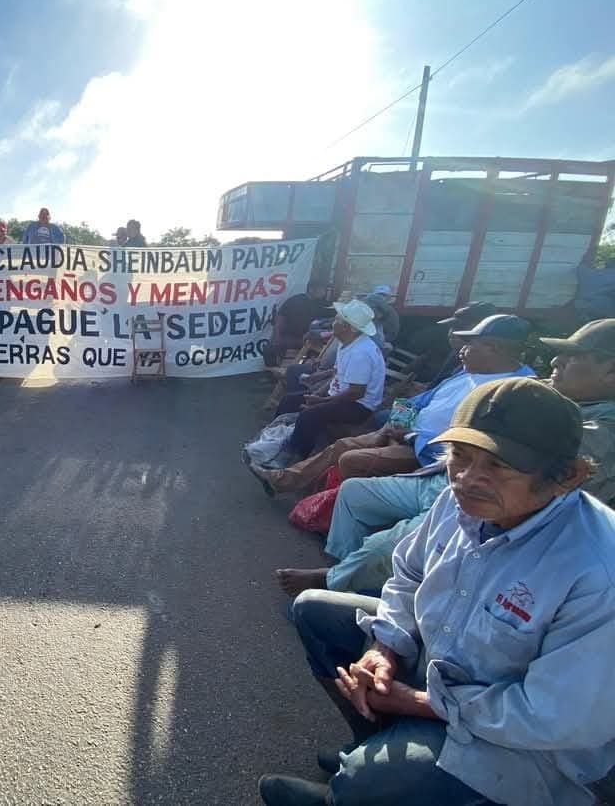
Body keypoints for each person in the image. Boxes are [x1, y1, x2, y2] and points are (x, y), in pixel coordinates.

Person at [259, 378, 615, 806]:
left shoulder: (597, 568)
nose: (467, 478)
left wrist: (418, 702)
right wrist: (383, 647)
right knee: (313, 610)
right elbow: (409, 574)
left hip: (522, 745)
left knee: (363, 785)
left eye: (498, 465)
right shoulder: (459, 501)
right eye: (459, 455)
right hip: (440, 672)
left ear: (568, 476)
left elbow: (553, 716)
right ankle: (373, 751)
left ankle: (356, 786)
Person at [275, 318, 615, 598]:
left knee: (383, 540)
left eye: (574, 356)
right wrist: (400, 425)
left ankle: (339, 582)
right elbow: (421, 404)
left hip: (465, 484)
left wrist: (412, 437)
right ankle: (347, 577)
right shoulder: (484, 380)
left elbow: (503, 471)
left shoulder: (579, 419)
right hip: (442, 470)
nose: (556, 362)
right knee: (353, 489)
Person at [252, 315, 533, 495]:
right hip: (403, 432)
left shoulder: (515, 392)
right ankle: (283, 480)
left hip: (430, 453)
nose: (462, 349)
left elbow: (474, 446)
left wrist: (410, 436)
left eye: (471, 344)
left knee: (350, 456)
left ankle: (317, 497)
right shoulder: (468, 373)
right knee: (341, 445)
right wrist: (396, 423)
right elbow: (416, 401)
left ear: (494, 348)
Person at [272, 300, 386, 461]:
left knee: (309, 415)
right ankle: (275, 438)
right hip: (341, 397)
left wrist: (322, 401)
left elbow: (356, 393)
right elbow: (337, 374)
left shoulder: (360, 353)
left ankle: (294, 457)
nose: (333, 322)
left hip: (359, 406)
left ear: (349, 328)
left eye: (338, 320)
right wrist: (317, 394)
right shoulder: (347, 343)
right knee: (289, 400)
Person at [264, 280, 330, 368]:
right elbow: (280, 318)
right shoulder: (295, 300)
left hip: (310, 338)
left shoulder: (323, 304)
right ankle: (275, 371)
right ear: (311, 289)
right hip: (292, 337)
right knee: (269, 348)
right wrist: (277, 335)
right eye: (322, 289)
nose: (324, 292)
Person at [361, 285, 400, 350]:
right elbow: (393, 333)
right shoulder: (391, 311)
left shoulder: (391, 313)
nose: (381, 297)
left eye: (384, 295)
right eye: (379, 295)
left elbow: (392, 332)